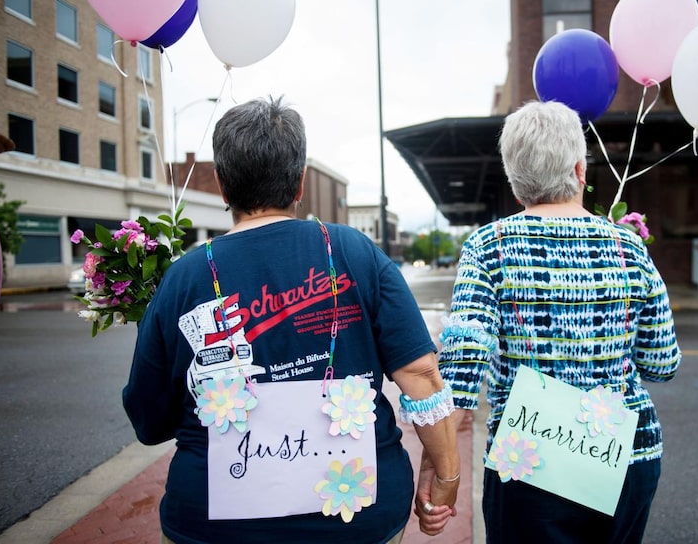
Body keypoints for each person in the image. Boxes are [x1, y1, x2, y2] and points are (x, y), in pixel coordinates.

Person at [123, 96, 459, 543]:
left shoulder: (183, 277)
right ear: (300, 183)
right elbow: (420, 373)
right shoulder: (356, 252)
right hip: (358, 516)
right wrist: (446, 475)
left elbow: (149, 418)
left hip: (214, 522)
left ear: (223, 187)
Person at [429, 100, 681, 543]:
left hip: (530, 459)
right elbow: (662, 363)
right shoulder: (629, 247)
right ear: (581, 170)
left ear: (515, 181)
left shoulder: (489, 246)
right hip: (625, 455)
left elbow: (462, 372)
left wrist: (441, 469)